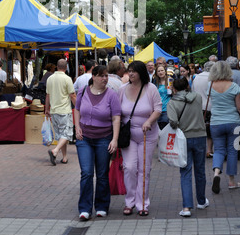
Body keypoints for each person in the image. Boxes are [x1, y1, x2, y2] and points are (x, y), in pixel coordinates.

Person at [74, 65, 121, 221]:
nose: (105, 78)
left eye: (106, 75)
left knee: (102, 174)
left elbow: (116, 117)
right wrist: (77, 126)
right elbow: (77, 109)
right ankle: (85, 208)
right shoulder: (82, 91)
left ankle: (101, 206)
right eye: (101, 75)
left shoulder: (111, 95)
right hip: (84, 138)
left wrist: (114, 139)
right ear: (93, 77)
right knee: (87, 173)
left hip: (104, 138)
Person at [118, 60, 162, 217]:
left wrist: (149, 121)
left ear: (141, 73)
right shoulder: (122, 89)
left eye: (134, 71)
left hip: (147, 135)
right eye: (129, 71)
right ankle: (129, 201)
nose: (130, 74)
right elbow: (117, 112)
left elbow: (158, 109)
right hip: (128, 135)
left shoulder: (151, 89)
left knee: (144, 169)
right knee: (129, 168)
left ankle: (142, 203)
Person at [167, 77, 208, 217]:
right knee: (200, 170)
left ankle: (186, 207)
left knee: (185, 171)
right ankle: (201, 201)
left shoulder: (172, 102)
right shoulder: (197, 97)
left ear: (174, 89)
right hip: (200, 136)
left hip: (184, 138)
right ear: (187, 86)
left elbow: (172, 121)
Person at [208, 61, 240, 193]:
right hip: (233, 122)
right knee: (233, 151)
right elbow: (239, 107)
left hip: (216, 122)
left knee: (219, 150)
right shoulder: (234, 87)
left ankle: (217, 173)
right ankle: (232, 181)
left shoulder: (210, 85)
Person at [45, 59, 76, 165]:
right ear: (66, 67)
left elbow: (47, 95)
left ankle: (64, 157)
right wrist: (78, 106)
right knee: (66, 134)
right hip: (64, 110)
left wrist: (47, 109)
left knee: (61, 135)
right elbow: (72, 95)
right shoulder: (67, 79)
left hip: (54, 111)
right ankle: (55, 151)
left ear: (56, 67)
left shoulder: (50, 78)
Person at [192, 61, 215, 157]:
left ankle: (199, 149)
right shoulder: (213, 78)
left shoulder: (196, 77)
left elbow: (193, 92)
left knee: (199, 130)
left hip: (198, 106)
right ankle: (209, 150)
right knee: (210, 131)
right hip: (210, 106)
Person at [153, 64, 171, 129]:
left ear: (165, 71)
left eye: (162, 70)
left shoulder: (170, 81)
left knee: (165, 129)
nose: (160, 72)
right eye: (158, 71)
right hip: (157, 109)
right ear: (156, 73)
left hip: (166, 109)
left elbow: (174, 94)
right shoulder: (155, 82)